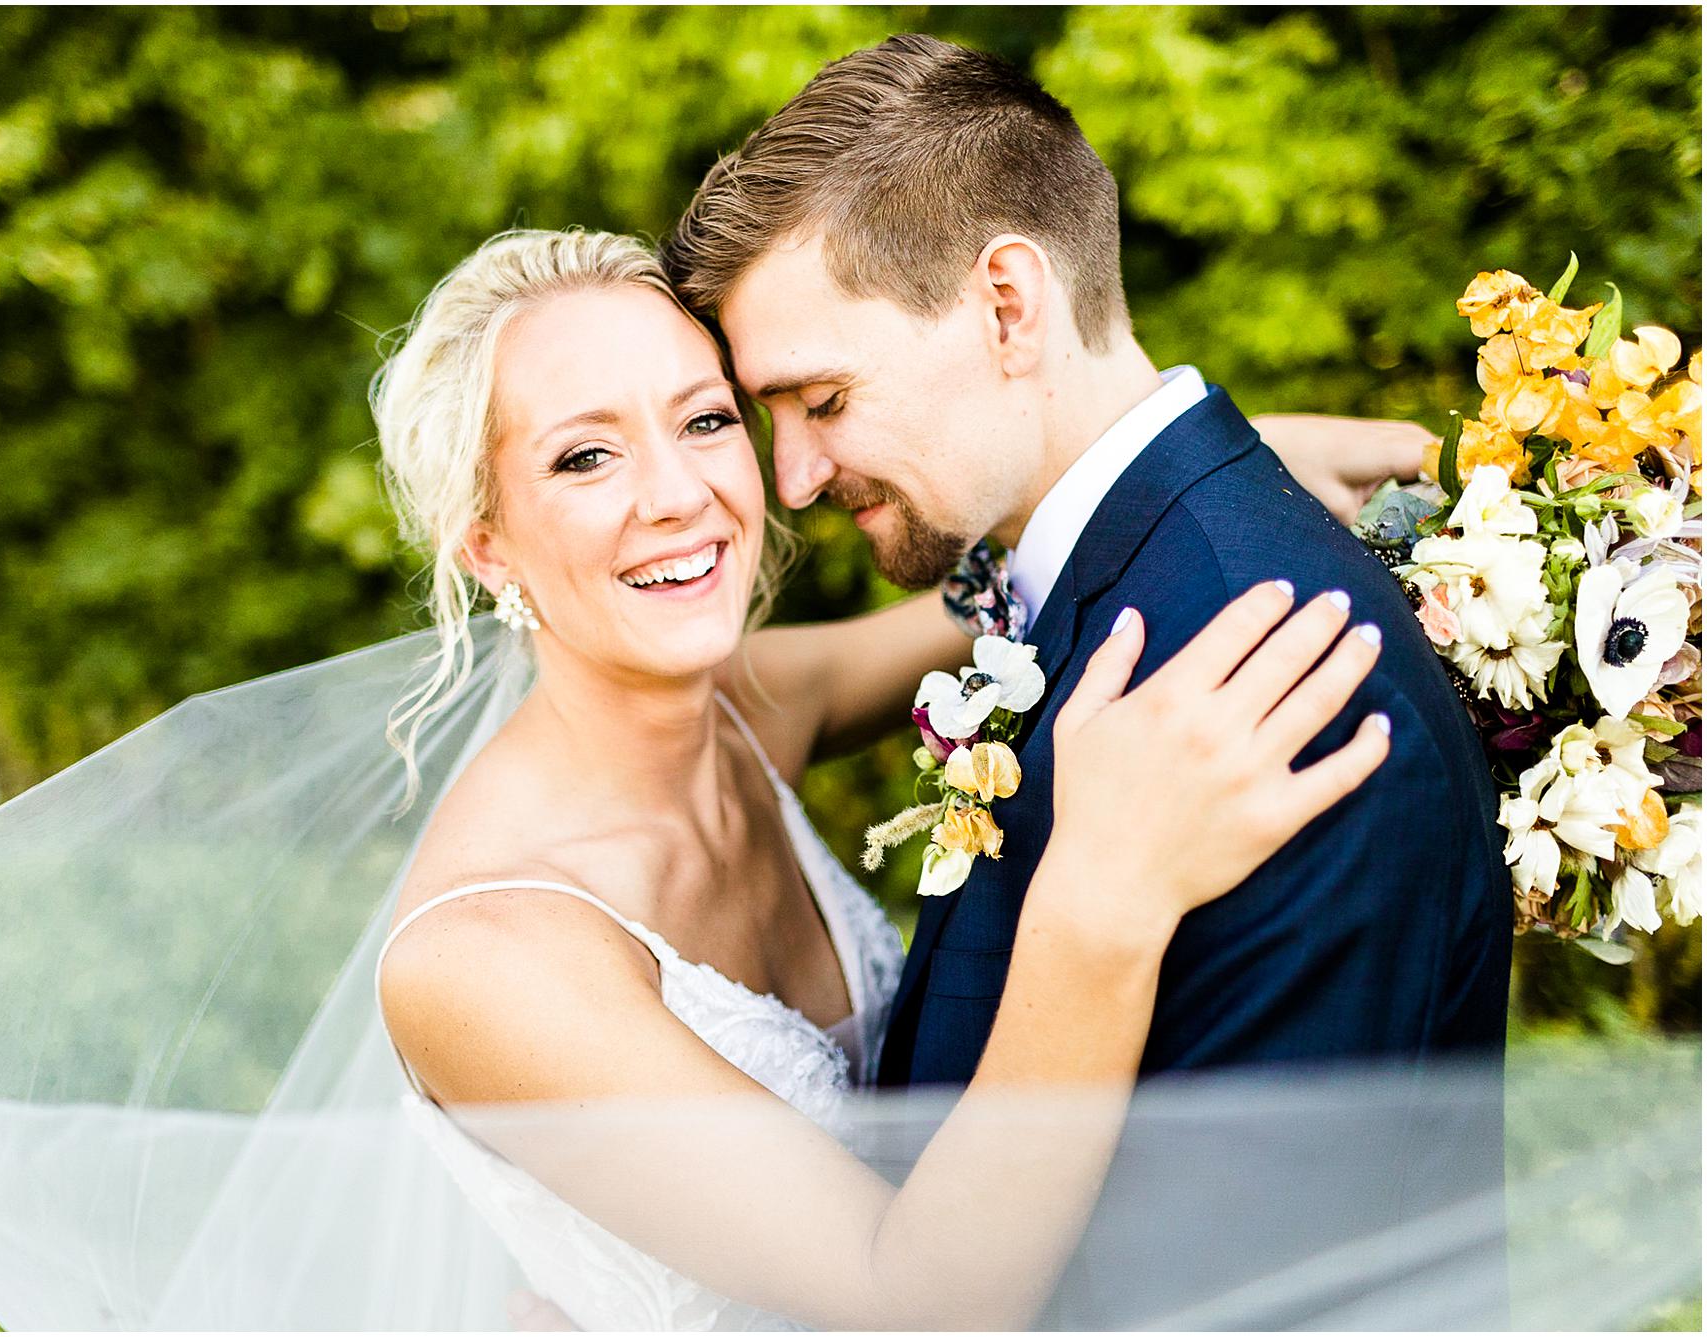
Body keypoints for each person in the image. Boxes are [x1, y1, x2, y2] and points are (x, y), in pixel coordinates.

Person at [370, 226, 1406, 1330]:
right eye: (585, 455)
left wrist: (1211, 466)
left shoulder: (745, 709)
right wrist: (1102, 895)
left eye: (704, 420)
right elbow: (913, 1299)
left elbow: (983, 598)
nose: (677, 493)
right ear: (482, 541)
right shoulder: (483, 959)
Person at [659, 33, 1513, 1324]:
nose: (790, 480)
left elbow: (1243, 1291)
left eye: (823, 398)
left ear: (1009, 303)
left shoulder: (1268, 671)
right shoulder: (1096, 579)